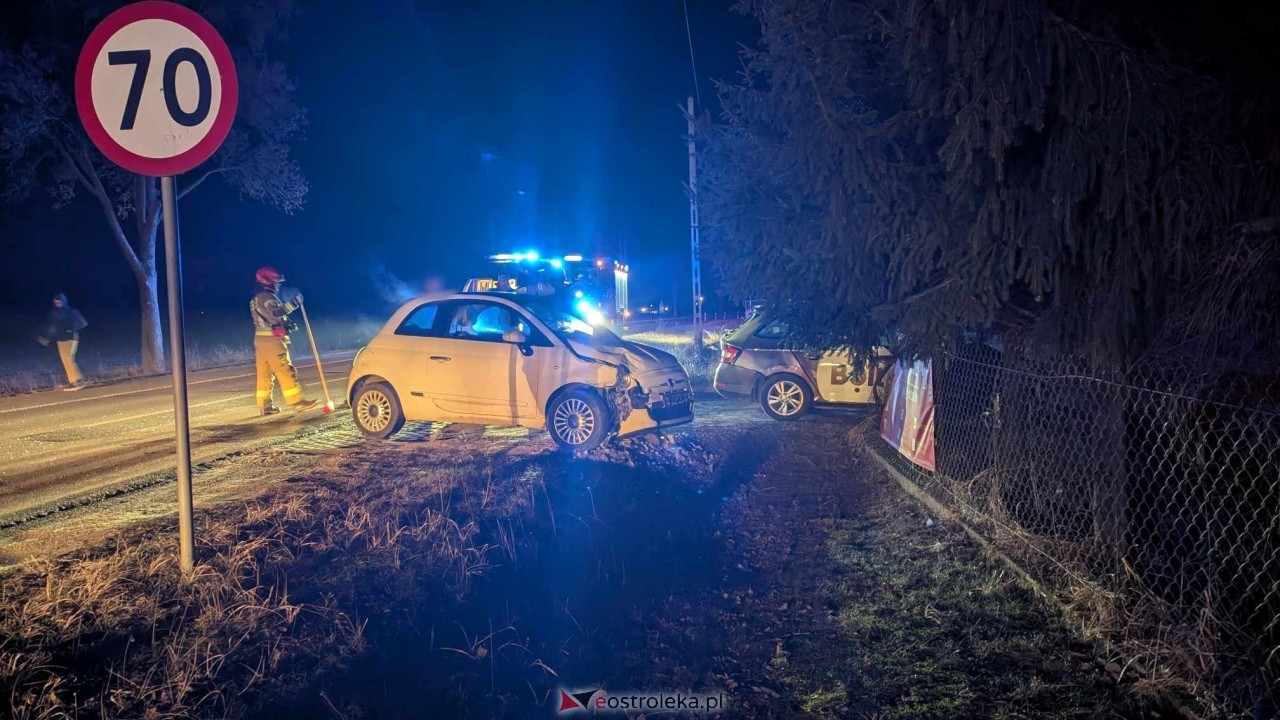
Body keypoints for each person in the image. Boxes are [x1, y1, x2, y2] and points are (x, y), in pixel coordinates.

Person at [250, 267, 318, 415]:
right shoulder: (267, 297)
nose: (278, 285)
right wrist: (295, 303)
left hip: (260, 340)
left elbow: (269, 318)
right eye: (276, 282)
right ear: (268, 282)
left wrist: (286, 324)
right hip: (272, 342)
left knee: (265, 373)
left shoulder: (256, 298)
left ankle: (265, 405)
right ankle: (297, 402)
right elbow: (277, 312)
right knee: (285, 370)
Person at [37, 293, 88, 391]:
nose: (58, 303)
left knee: (69, 358)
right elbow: (51, 327)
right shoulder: (54, 314)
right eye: (56, 302)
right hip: (60, 339)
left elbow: (82, 323)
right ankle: (74, 380)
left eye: (60, 301)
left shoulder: (72, 312)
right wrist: (46, 338)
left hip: (71, 337)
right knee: (66, 360)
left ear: (64, 301)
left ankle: (76, 381)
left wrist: (71, 329)